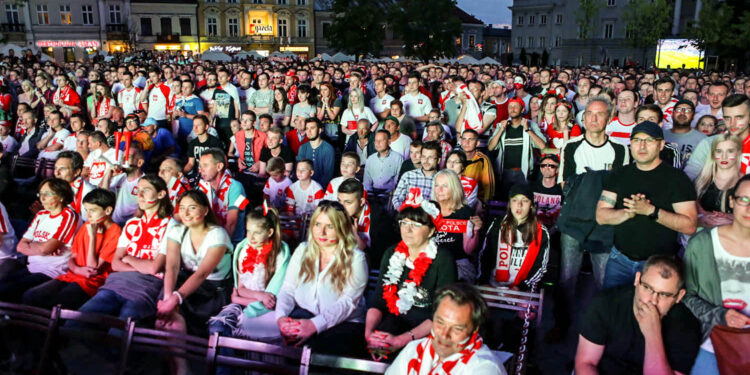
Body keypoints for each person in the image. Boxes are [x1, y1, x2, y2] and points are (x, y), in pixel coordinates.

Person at [597, 121, 698, 289]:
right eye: (637, 140)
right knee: (612, 310)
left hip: (660, 265)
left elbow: (690, 226)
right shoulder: (619, 174)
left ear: (661, 145)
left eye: (649, 140)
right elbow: (601, 216)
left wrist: (651, 211)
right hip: (619, 260)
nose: (642, 146)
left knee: (651, 313)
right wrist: (628, 213)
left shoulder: (677, 179)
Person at [366, 192, 457, 360]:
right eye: (404, 223)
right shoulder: (391, 253)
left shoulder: (443, 260)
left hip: (429, 332)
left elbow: (441, 316)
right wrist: (370, 334)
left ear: (430, 232)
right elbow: (378, 300)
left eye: (415, 224)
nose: (407, 230)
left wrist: (401, 340)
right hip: (394, 324)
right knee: (374, 349)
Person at [575, 255, 701, 375]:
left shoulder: (687, 327)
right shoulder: (606, 303)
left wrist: (653, 335)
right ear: (637, 279)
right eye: (647, 287)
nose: (653, 300)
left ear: (679, 296)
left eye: (664, 294)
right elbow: (585, 363)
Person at [73, 175, 171, 324]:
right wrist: (143, 265)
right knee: (78, 320)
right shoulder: (132, 224)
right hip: (117, 283)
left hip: (147, 287)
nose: (139, 195)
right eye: (138, 190)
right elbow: (115, 264)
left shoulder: (171, 226)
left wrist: (129, 258)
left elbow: (154, 268)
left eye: (146, 190)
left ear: (161, 194)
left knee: (120, 333)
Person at [274, 201, 368, 355]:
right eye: (317, 224)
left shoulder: (356, 258)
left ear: (341, 228)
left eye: (329, 226)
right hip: (305, 314)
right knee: (289, 342)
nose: (321, 232)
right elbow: (288, 289)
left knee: (318, 351)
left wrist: (314, 325)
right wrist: (281, 317)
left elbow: (348, 301)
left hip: (343, 324)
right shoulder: (302, 250)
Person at [207, 205, 290, 375]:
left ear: (270, 232)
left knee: (263, 332)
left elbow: (271, 301)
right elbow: (241, 288)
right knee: (218, 326)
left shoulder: (280, 255)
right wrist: (256, 295)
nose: (250, 237)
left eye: (257, 232)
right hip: (248, 302)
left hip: (270, 308)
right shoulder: (243, 250)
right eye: (248, 231)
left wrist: (239, 299)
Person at [683, 175, 750, 375]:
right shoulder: (701, 245)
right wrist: (720, 315)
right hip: (711, 344)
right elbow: (686, 295)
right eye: (743, 199)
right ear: (732, 201)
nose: (748, 208)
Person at [22, 188, 121, 309]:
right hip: (72, 275)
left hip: (92, 283)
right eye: (86, 210)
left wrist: (94, 237)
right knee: (31, 295)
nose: (88, 215)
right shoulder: (87, 225)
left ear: (108, 210)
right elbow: (73, 257)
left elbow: (92, 267)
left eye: (93, 210)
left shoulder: (116, 233)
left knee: (56, 304)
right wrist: (77, 270)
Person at [156, 190, 233, 344]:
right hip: (188, 281)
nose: (186, 213)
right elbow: (171, 266)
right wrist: (167, 297)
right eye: (182, 207)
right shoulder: (176, 230)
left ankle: (181, 363)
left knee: (173, 309)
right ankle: (179, 365)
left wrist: (176, 299)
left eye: (192, 207)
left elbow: (202, 273)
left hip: (213, 289)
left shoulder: (217, 234)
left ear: (205, 210)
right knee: (164, 311)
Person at [385, 283, 506, 374]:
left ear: (474, 329)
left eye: (457, 328)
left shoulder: (484, 368)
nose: (444, 334)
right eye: (440, 322)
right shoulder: (413, 350)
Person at [0, 179, 78, 301]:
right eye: (40, 194)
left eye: (47, 194)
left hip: (51, 271)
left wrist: (38, 246)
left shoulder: (68, 215)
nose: (42, 198)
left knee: (9, 292)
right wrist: (43, 246)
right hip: (31, 267)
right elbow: (21, 247)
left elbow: (45, 249)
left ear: (61, 196)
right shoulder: (41, 215)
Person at [488, 98, 547, 200]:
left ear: (523, 109)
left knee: (522, 200)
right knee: (505, 201)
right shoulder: (501, 125)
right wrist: (501, 130)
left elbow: (542, 145)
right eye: (510, 107)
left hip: (523, 172)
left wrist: (528, 129)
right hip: (504, 172)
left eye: (516, 106)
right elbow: (491, 147)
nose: (513, 109)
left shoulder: (530, 124)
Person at [432, 170, 483, 282]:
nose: (439, 190)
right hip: (431, 262)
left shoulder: (465, 212)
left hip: (458, 264)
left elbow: (469, 250)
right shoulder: (428, 209)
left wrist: (475, 232)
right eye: (436, 185)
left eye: (445, 186)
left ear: (454, 188)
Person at [685, 94, 750, 180]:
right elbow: (688, 177)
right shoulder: (709, 144)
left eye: (739, 117)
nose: (732, 123)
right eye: (727, 118)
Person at [197, 148, 250, 243]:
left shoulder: (237, 187)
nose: (200, 170)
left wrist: (218, 249)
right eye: (200, 166)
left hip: (230, 244)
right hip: (209, 240)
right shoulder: (202, 187)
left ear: (219, 166)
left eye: (205, 165)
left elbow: (231, 224)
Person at [694, 134, 743, 229]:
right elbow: (688, 217)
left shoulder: (746, 184)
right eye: (719, 151)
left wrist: (730, 219)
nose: (724, 157)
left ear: (738, 153)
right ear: (713, 154)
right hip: (702, 238)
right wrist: (704, 217)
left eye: (730, 151)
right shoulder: (701, 182)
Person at [392, 141, 441, 210]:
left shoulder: (442, 179)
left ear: (438, 160)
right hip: (408, 216)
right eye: (424, 156)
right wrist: (404, 212)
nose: (426, 160)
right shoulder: (408, 176)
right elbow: (396, 198)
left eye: (430, 157)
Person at [664, 99, 706, 167]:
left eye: (687, 111)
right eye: (679, 110)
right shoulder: (661, 135)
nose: (682, 113)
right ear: (672, 114)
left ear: (693, 116)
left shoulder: (702, 140)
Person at [297, 117, 335, 188]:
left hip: (321, 188)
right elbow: (300, 171)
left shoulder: (328, 149)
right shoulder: (303, 148)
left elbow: (328, 175)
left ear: (319, 130)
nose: (309, 131)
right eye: (307, 128)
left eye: (312, 128)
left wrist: (316, 189)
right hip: (305, 187)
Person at [364, 130, 403, 195]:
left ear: (389, 142)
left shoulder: (398, 158)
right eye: (376, 140)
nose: (378, 143)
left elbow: (398, 181)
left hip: (390, 195)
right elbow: (367, 182)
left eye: (381, 140)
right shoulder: (370, 159)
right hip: (372, 194)